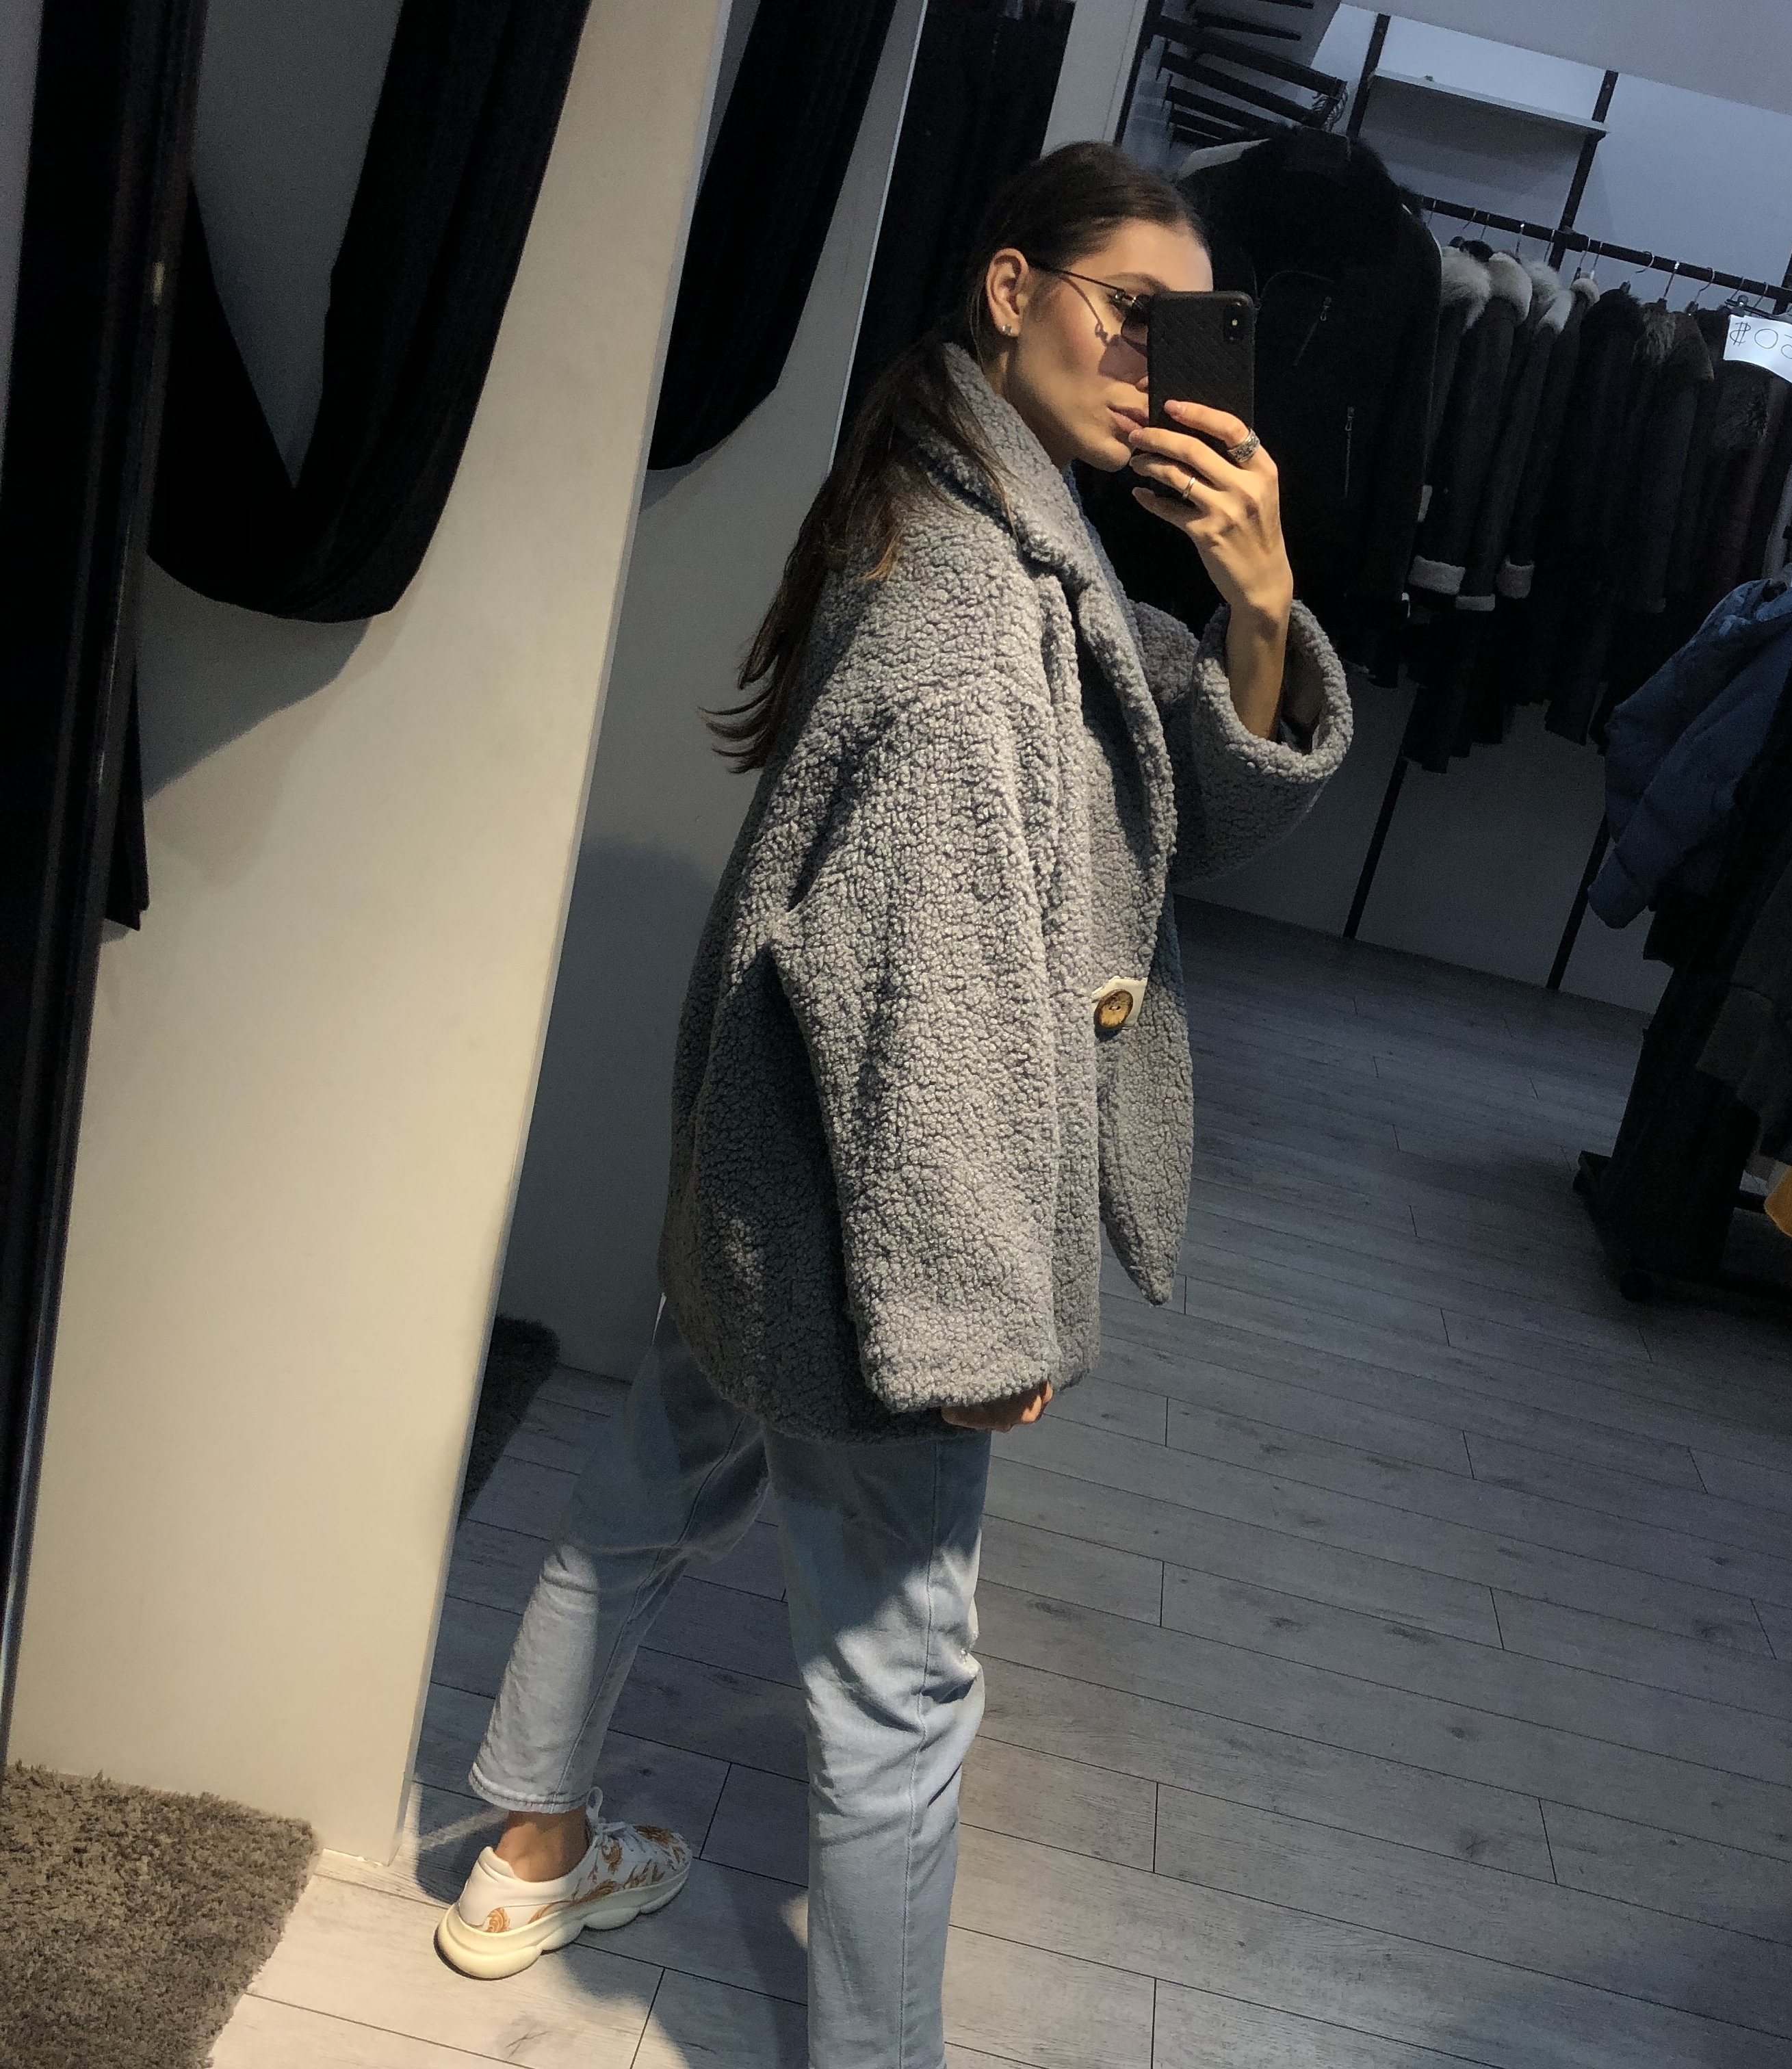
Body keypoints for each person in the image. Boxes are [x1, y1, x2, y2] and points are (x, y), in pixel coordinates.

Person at [434, 140, 1350, 2063]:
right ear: (1013, 290)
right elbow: (931, 1009)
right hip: (874, 1238)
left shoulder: (979, 513)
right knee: (903, 1694)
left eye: (1192, 333)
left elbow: (1175, 788)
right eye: (1129, 313)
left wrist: (1260, 610)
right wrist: (973, 1323)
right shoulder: (969, 617)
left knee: (648, 1492)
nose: (1156, 365)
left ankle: (524, 1854)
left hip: (766, 1183)